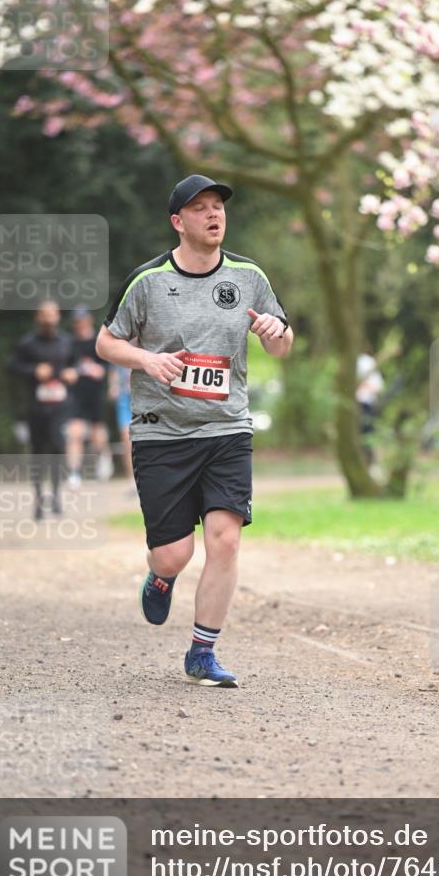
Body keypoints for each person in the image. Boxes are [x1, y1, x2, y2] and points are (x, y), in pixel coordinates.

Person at [95, 174, 293, 687]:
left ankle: (202, 652)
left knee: (224, 541)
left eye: (218, 207)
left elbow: (281, 342)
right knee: (175, 552)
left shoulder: (250, 277)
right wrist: (147, 359)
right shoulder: (148, 281)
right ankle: (161, 577)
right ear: (178, 222)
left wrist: (277, 333)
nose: (214, 215)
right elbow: (106, 343)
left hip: (227, 428)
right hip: (161, 433)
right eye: (200, 208)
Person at [8, 300, 78, 519]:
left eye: (52, 314)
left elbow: (76, 365)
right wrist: (33, 370)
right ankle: (38, 499)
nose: (49, 318)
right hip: (36, 407)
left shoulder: (67, 341)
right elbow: (12, 366)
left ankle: (56, 497)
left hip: (60, 407)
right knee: (38, 452)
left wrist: (72, 373)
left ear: (58, 317)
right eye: (44, 314)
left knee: (58, 449)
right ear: (38, 318)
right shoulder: (27, 344)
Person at [66, 307, 112, 487]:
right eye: (76, 320)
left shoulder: (99, 341)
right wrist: (68, 373)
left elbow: (105, 368)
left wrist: (97, 371)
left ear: (89, 319)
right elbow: (65, 368)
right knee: (75, 434)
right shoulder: (69, 343)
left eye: (82, 319)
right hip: (76, 395)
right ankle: (74, 472)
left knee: (97, 433)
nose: (79, 323)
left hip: (95, 394)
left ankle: (104, 455)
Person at [108, 363, 135, 490]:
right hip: (125, 399)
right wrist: (113, 386)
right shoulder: (121, 344)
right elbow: (113, 369)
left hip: (144, 398)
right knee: (127, 440)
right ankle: (132, 479)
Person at [356, 350, 384, 464]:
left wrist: (364, 385)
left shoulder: (367, 362)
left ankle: (370, 461)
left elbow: (378, 386)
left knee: (368, 433)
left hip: (366, 404)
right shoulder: (348, 362)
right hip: (355, 404)